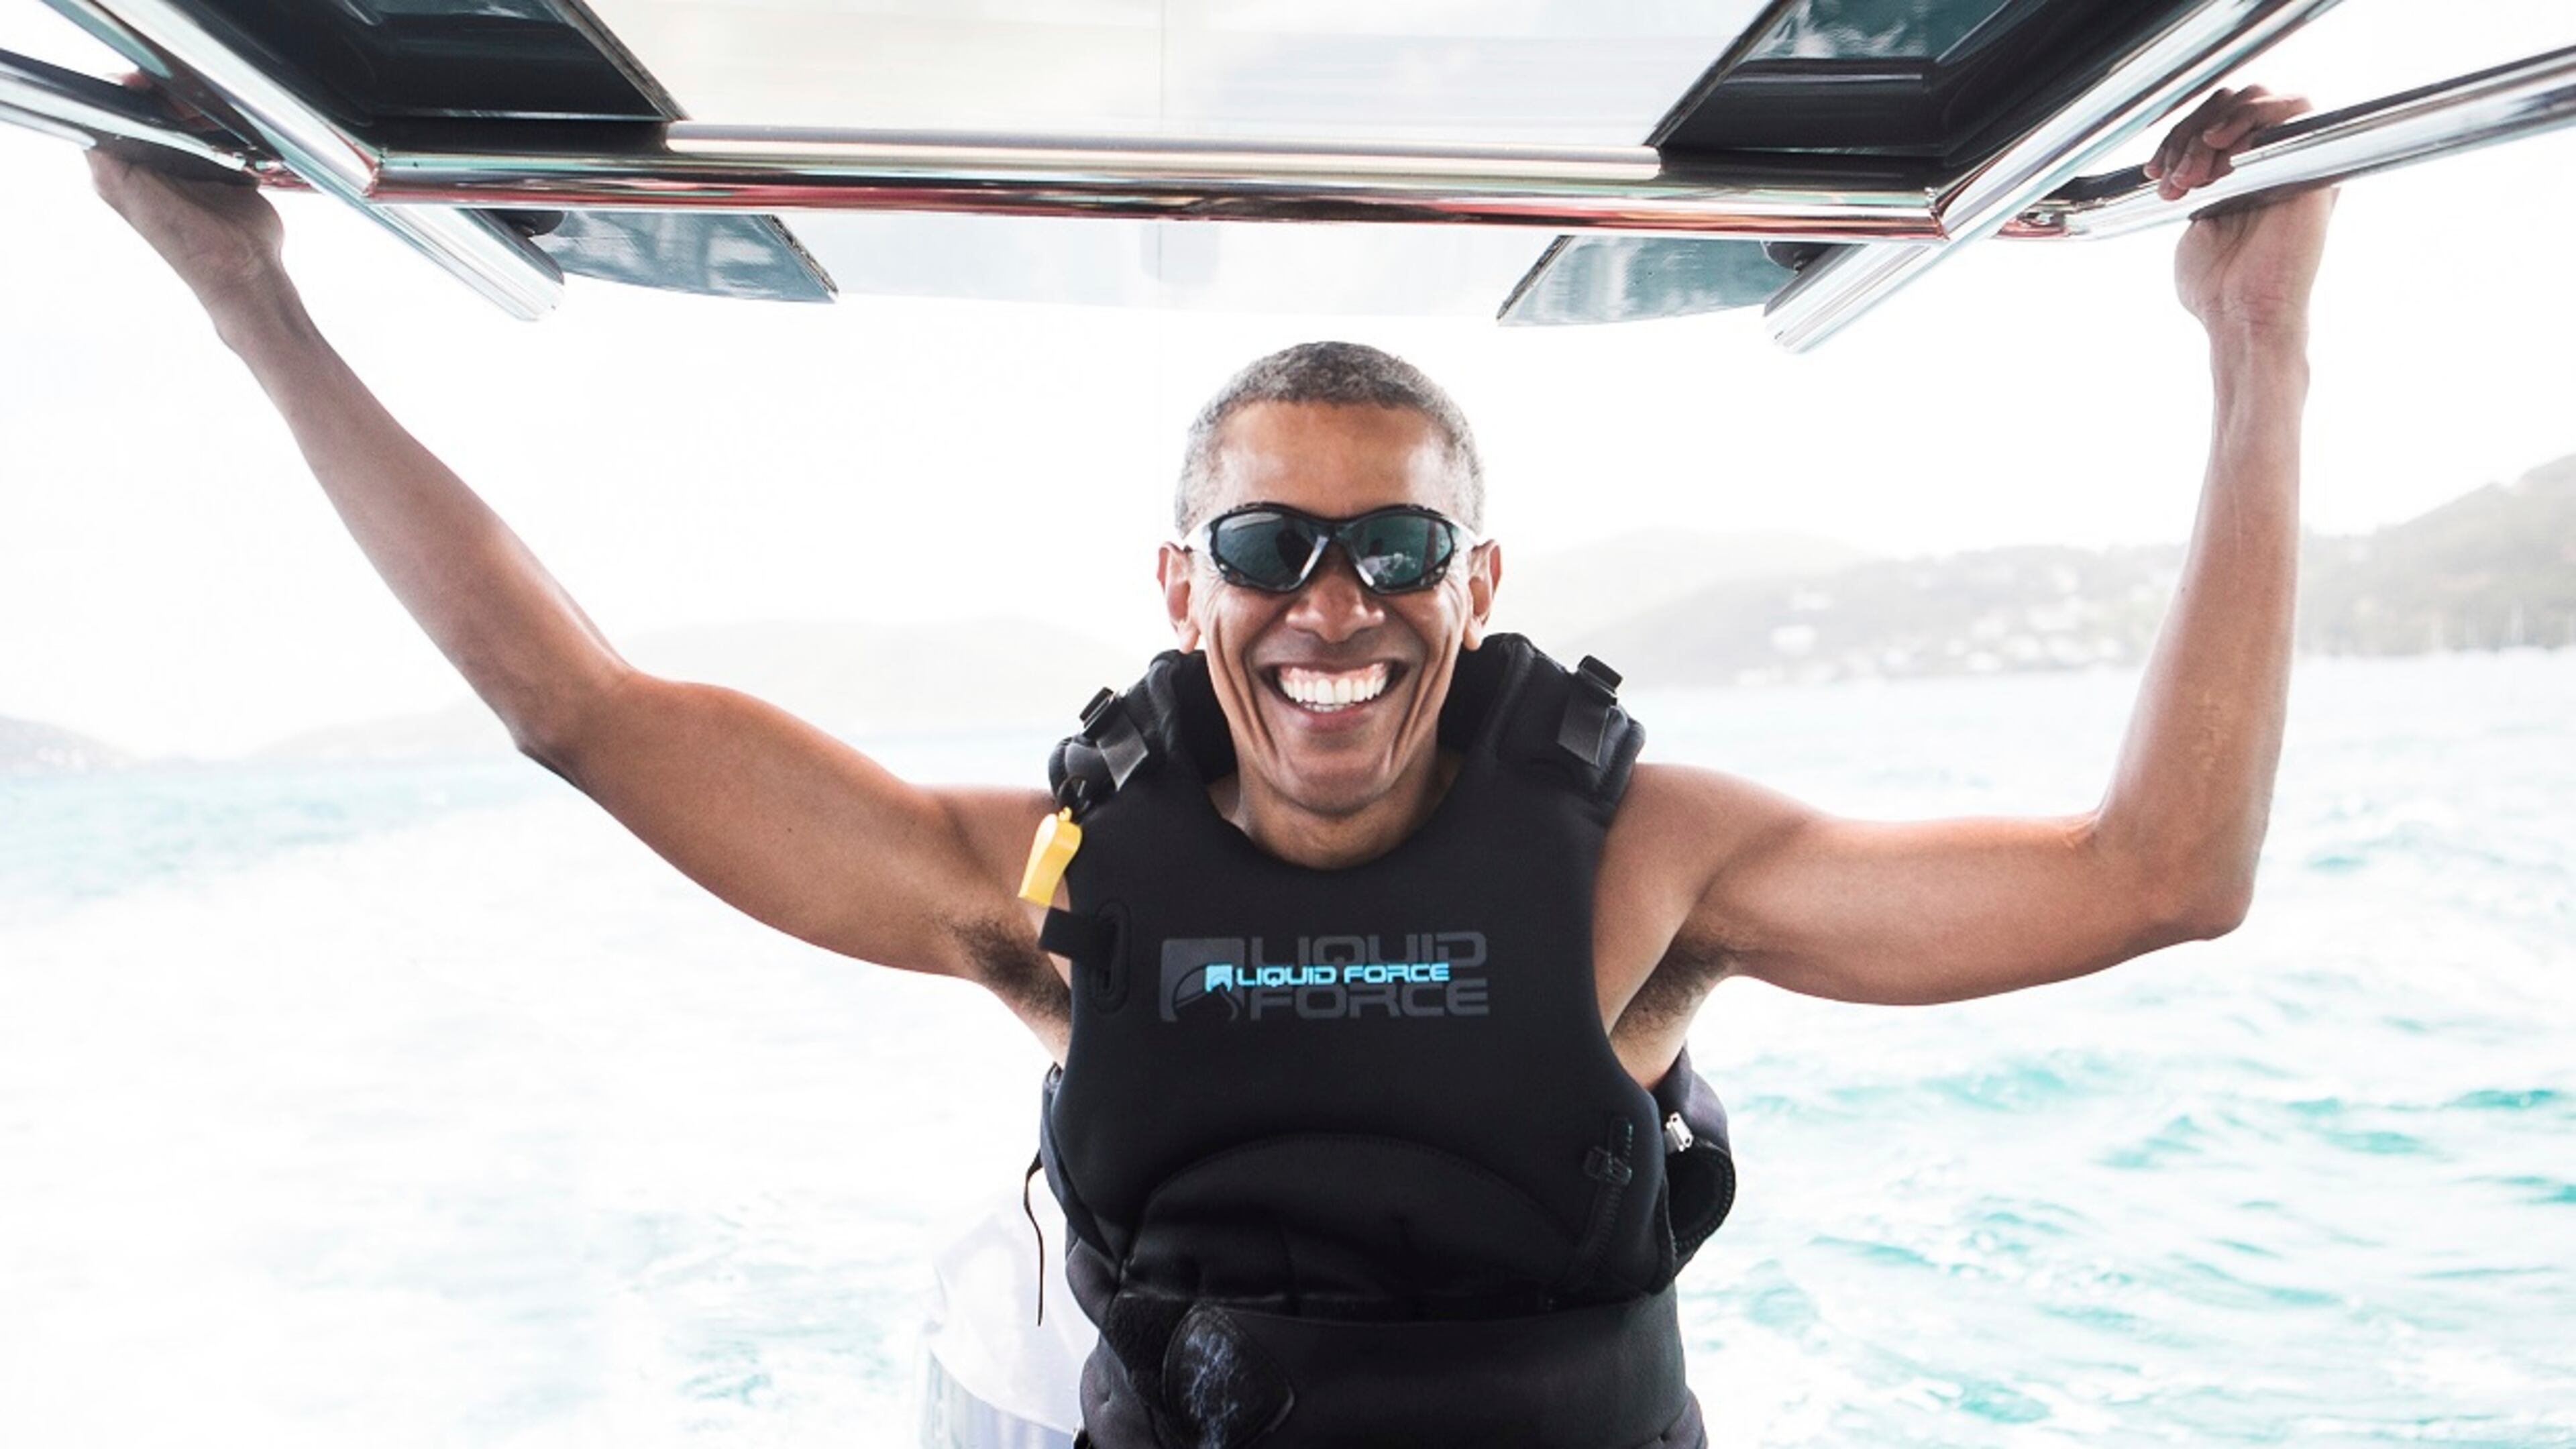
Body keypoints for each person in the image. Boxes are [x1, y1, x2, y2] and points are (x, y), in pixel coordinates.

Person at [87, 83, 2330, 1449]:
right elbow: (573, 709)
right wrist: (246, 297)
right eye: (1270, 545)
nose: (1330, 607)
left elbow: (2159, 876)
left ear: (1479, 578)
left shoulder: (1651, 858)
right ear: (1186, 585)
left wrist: (2256, 343)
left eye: (1394, 548)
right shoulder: (1052, 873)